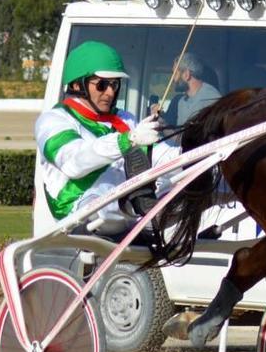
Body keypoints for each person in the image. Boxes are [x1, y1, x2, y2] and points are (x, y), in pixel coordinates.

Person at [35, 40, 177, 236]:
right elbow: (73, 163)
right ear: (78, 84)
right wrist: (128, 140)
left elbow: (162, 156)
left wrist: (196, 154)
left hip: (123, 210)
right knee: (102, 202)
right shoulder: (53, 120)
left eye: (115, 85)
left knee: (190, 187)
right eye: (102, 85)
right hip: (81, 211)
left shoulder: (124, 119)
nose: (110, 93)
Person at [159, 53, 222, 128]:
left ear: (186, 74)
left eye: (175, 74)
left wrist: (163, 127)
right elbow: (180, 135)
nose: (173, 79)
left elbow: (186, 137)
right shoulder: (182, 101)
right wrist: (161, 120)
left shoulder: (210, 99)